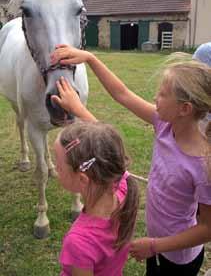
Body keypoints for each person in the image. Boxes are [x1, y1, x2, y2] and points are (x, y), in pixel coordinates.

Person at [51, 45, 211, 276]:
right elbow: (122, 94)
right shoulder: (165, 126)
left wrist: (155, 246)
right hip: (156, 245)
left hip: (178, 258)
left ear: (184, 109)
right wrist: (90, 59)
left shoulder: (203, 165)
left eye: (163, 94)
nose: (155, 98)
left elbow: (207, 229)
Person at [54, 120, 139, 276]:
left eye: (58, 165)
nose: (55, 169)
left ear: (82, 179)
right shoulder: (124, 189)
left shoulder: (79, 242)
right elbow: (104, 144)